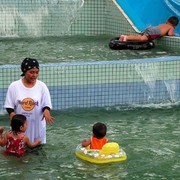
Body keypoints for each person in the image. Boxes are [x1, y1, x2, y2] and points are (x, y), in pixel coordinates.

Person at [4, 57, 54, 144]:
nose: (34, 75)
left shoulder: (42, 86)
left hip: (37, 127)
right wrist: (12, 114)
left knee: (37, 153)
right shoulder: (14, 86)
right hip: (19, 128)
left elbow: (47, 104)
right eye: (31, 72)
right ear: (24, 71)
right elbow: (9, 105)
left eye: (37, 72)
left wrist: (46, 111)